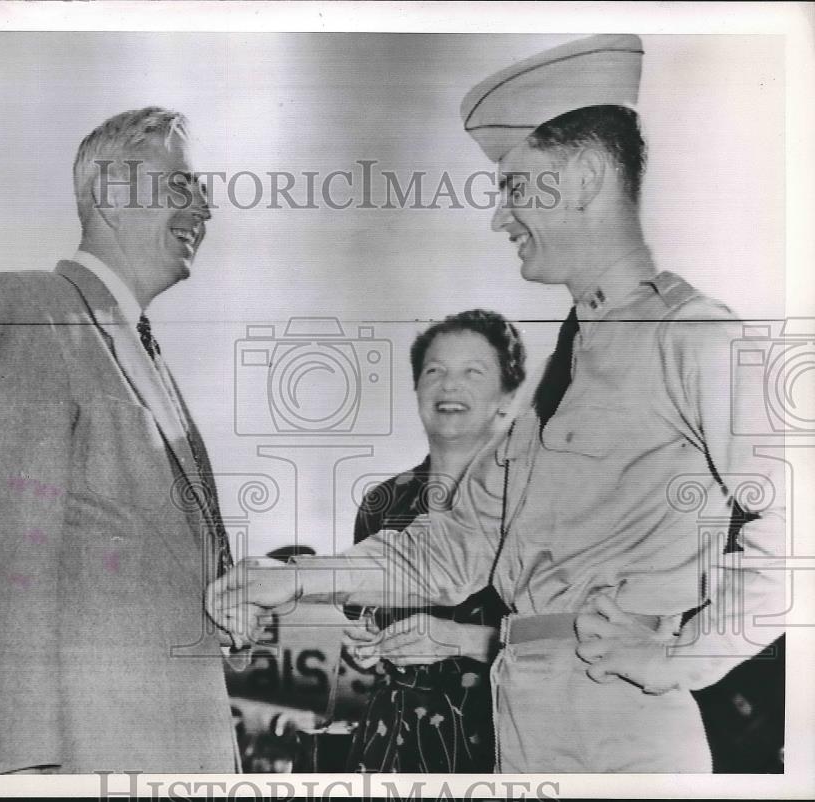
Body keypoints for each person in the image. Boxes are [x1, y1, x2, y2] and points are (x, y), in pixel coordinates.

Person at [207, 35, 785, 773]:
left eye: (514, 186)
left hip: (622, 732)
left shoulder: (693, 336)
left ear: (581, 178)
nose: (499, 216)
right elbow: (453, 550)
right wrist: (291, 578)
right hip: (525, 725)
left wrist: (684, 654)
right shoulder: (555, 374)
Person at [0, 107, 240, 773]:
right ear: (111, 195)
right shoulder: (31, 309)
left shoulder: (142, 349)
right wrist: (26, 769)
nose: (204, 209)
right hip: (95, 759)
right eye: (179, 187)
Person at [342, 310, 521, 773]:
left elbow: (564, 642)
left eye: (472, 373)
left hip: (500, 742)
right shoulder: (382, 502)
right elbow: (363, 625)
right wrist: (364, 647)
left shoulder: (534, 498)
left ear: (507, 395)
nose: (449, 386)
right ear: (418, 390)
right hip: (392, 748)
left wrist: (460, 640)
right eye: (434, 371)